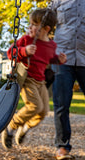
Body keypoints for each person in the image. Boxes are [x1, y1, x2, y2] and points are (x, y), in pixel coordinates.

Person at [1, 8, 67, 150]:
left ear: (45, 29)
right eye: (29, 24)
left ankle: (24, 128)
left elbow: (48, 59)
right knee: (35, 106)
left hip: (40, 81)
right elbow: (10, 53)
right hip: (27, 79)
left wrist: (59, 60)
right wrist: (24, 51)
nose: (29, 27)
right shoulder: (26, 40)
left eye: (34, 25)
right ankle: (11, 126)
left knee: (43, 112)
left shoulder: (51, 45)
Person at [51, 0, 85, 159]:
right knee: (61, 105)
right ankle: (63, 147)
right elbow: (42, 24)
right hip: (62, 59)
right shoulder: (58, 1)